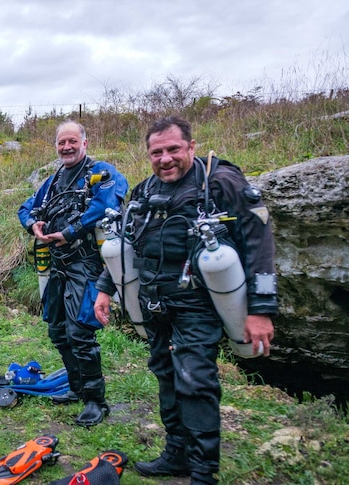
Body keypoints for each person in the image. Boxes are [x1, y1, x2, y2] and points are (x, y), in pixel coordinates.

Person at [94, 116, 277, 485]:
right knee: (165, 375)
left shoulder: (221, 184)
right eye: (156, 152)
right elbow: (127, 245)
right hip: (155, 299)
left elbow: (259, 243)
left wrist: (261, 309)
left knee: (195, 381)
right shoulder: (144, 191)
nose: (165, 159)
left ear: (191, 148)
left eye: (174, 149)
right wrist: (105, 288)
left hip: (198, 302)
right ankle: (175, 454)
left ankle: (203, 472)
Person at [17, 121, 128, 427]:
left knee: (80, 333)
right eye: (61, 143)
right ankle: (77, 388)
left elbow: (108, 203)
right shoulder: (53, 181)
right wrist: (33, 225)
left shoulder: (101, 172)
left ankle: (96, 400)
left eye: (72, 141)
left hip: (87, 262)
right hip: (59, 263)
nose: (66, 147)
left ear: (84, 143)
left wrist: (70, 231)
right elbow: (26, 208)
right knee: (57, 329)